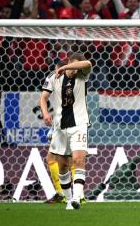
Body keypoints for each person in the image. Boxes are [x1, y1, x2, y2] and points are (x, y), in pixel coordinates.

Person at [40, 52, 92, 210]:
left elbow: (88, 64)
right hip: (60, 126)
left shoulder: (82, 75)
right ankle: (69, 199)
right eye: (72, 66)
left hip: (79, 124)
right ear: (69, 61)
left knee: (78, 159)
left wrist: (66, 67)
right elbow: (43, 98)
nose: (74, 71)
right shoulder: (53, 77)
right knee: (62, 165)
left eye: (76, 67)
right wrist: (45, 113)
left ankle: (77, 197)